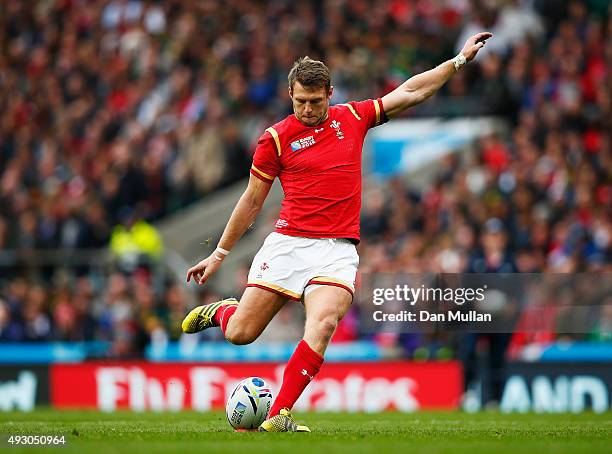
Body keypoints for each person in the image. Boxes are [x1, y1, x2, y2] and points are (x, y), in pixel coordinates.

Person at [182, 32, 492, 432]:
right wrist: (219, 254)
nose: (308, 109)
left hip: (337, 251)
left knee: (324, 322)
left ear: (330, 93)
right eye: (300, 102)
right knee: (241, 333)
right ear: (289, 95)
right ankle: (223, 311)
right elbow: (252, 201)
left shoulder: (353, 117)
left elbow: (411, 91)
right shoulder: (275, 139)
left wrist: (458, 61)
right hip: (288, 244)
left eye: (316, 100)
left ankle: (279, 414)